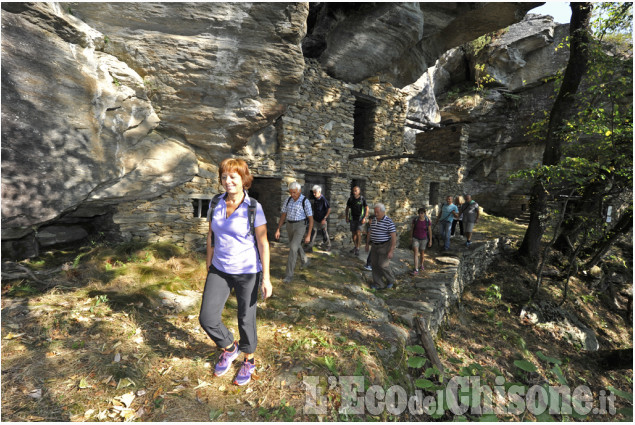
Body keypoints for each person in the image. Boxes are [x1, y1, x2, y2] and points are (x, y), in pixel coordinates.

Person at [199, 158, 271, 386]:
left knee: (245, 318)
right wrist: (209, 266)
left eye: (233, 177)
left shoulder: (253, 208)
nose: (228, 181)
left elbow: (263, 244)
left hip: (247, 271)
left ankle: (249, 359)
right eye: (224, 177)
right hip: (219, 269)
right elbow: (211, 237)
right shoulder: (215, 203)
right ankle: (230, 348)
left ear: (244, 180)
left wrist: (266, 278)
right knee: (207, 318)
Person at [275, 182, 313, 284]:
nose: (292, 195)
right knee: (295, 245)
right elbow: (283, 215)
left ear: (299, 191)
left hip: (300, 226)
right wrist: (278, 228)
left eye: (295, 192)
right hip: (289, 225)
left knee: (292, 248)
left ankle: (289, 275)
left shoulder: (305, 201)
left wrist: (308, 234)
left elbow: (311, 219)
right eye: (291, 192)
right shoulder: (288, 200)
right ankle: (305, 260)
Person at [365, 203, 397, 290]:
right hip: (374, 245)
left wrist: (391, 250)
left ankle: (391, 280)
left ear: (383, 212)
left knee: (383, 265)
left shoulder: (388, 222)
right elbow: (370, 232)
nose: (375, 214)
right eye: (375, 212)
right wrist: (367, 244)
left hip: (385, 246)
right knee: (374, 264)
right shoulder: (374, 220)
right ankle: (379, 284)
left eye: (377, 212)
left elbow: (394, 237)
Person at [345, 186, 368, 256]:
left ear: (359, 191)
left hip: (360, 219)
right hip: (352, 218)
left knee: (358, 233)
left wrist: (364, 217)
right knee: (353, 234)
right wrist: (347, 217)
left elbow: (367, 208)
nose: (354, 192)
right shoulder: (351, 199)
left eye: (355, 191)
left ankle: (358, 248)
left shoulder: (362, 199)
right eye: (353, 191)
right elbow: (347, 208)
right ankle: (355, 246)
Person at [307, 185, 331, 251]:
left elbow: (329, 209)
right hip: (315, 219)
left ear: (319, 192)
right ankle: (310, 247)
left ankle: (328, 246)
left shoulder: (323, 200)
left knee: (324, 233)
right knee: (313, 232)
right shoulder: (315, 197)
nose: (314, 194)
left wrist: (325, 218)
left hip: (322, 220)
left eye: (315, 193)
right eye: (313, 192)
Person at [411, 207, 432, 275]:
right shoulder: (415, 220)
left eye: (422, 213)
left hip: (424, 239)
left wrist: (430, 240)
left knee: (422, 253)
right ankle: (416, 269)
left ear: (424, 213)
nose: (420, 214)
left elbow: (429, 231)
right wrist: (410, 238)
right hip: (415, 238)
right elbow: (412, 229)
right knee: (416, 252)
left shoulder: (427, 221)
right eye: (419, 213)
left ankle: (421, 264)